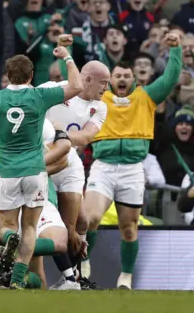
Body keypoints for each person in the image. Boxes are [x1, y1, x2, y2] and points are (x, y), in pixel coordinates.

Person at [0, 45, 83, 289]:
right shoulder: (39, 96)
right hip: (35, 172)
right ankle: (17, 280)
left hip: (7, 173)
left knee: (8, 227)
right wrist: (68, 57)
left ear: (8, 76)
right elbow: (76, 87)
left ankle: (10, 239)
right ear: (31, 76)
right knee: (31, 227)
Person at [83, 33, 182, 289]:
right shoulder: (98, 98)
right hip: (103, 168)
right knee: (90, 218)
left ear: (134, 79)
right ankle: (83, 262)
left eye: (127, 76)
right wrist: (65, 55)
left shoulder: (146, 97)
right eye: (118, 76)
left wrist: (176, 49)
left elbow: (170, 78)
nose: (123, 79)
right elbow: (74, 84)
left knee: (129, 227)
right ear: (111, 79)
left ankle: (126, 276)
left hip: (132, 170)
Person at [37, 37, 110, 287]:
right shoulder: (54, 90)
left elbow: (87, 136)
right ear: (87, 79)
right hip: (44, 161)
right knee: (65, 228)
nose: (106, 89)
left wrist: (61, 137)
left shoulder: (100, 107)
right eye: (104, 83)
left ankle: (74, 277)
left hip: (69, 161)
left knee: (81, 222)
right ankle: (73, 278)